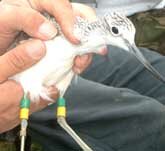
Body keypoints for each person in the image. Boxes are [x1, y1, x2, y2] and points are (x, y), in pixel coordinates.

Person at [0, 1, 165, 151]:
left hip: (66, 59)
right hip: (20, 71)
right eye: (115, 32)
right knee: (151, 118)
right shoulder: (53, 30)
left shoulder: (82, 38)